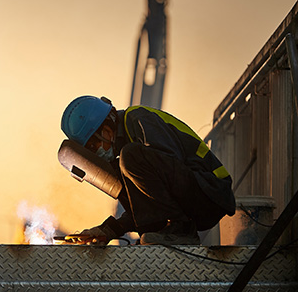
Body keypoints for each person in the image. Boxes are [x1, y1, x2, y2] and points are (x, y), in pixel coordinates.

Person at [60, 95, 235, 245]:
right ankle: (168, 230)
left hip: (211, 191)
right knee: (124, 168)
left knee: (130, 156)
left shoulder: (138, 119)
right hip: (194, 202)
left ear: (106, 130)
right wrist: (108, 230)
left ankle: (179, 231)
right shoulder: (127, 159)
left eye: (94, 144)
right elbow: (148, 202)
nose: (95, 152)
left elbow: (169, 171)